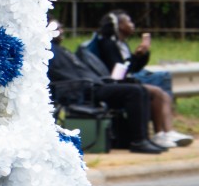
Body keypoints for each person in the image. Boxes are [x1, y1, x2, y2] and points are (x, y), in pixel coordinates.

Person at [47, 19, 164, 154]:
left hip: (91, 86)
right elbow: (63, 78)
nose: (62, 31)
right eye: (58, 28)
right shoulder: (49, 52)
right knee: (135, 92)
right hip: (83, 90)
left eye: (61, 28)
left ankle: (142, 139)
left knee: (141, 89)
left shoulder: (61, 50)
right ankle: (139, 141)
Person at [85, 13, 189, 148]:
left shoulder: (121, 43)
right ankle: (159, 134)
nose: (132, 25)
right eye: (129, 22)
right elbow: (119, 71)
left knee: (163, 89)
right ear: (119, 26)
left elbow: (133, 67)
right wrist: (135, 56)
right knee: (157, 92)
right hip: (117, 83)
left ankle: (167, 132)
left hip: (127, 79)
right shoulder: (108, 44)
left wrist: (142, 54)